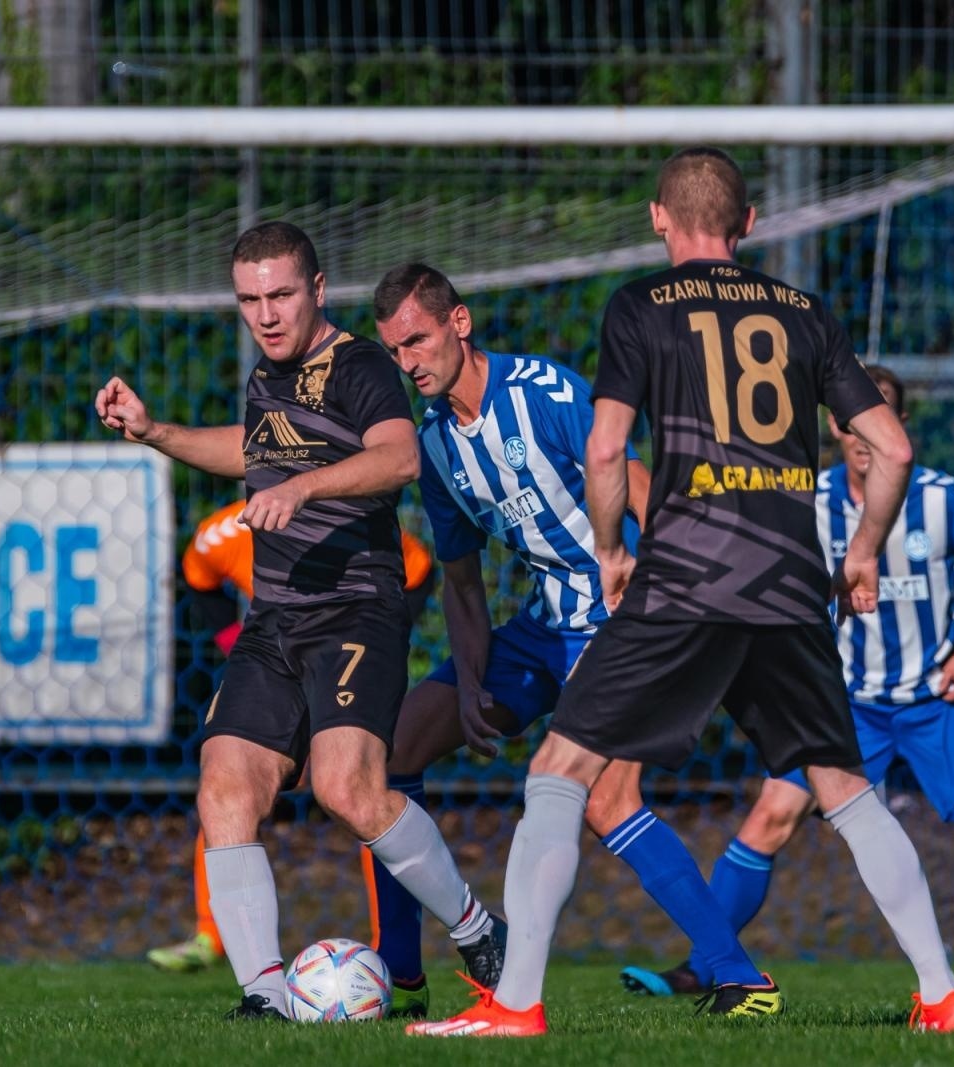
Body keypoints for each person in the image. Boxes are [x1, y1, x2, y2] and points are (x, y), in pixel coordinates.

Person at [410, 147, 954, 1038]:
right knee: (844, 788)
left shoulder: (639, 307)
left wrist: (607, 548)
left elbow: (605, 450)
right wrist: (862, 550)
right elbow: (894, 449)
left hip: (686, 577)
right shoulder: (805, 312)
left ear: (658, 219)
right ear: (748, 225)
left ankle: (516, 1003)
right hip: (791, 583)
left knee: (558, 775)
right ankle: (945, 993)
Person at [96, 221, 505, 1020]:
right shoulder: (266, 377)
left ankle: (479, 930)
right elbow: (250, 451)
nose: (266, 314)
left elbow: (398, 458)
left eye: (281, 294)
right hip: (276, 618)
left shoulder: (359, 368)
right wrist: (156, 433)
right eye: (250, 299)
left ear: (318, 290)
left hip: (355, 606)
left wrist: (304, 488)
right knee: (223, 787)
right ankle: (263, 996)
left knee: (346, 788)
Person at [618, 365, 954, 997]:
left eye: (878, 416)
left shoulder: (942, 500)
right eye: (852, 420)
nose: (864, 434)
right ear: (835, 426)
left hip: (936, 701)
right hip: (851, 705)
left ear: (899, 425)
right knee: (771, 814)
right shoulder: (810, 502)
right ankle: (706, 965)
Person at [367, 262, 749, 1020]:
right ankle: (399, 977)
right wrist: (471, 680)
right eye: (395, 351)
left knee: (609, 799)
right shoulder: (435, 444)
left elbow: (637, 481)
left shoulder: (541, 393)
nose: (409, 362)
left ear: (459, 324)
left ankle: (738, 976)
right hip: (545, 628)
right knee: (391, 751)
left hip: (622, 620)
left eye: (417, 340)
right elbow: (462, 580)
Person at [147, 499, 435, 974]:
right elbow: (197, 573)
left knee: (359, 795)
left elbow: (420, 568)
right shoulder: (222, 532)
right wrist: (234, 645)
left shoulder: (348, 517)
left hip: (348, 662)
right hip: (275, 669)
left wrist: (389, 637)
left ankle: (399, 945)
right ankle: (211, 936)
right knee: (226, 790)